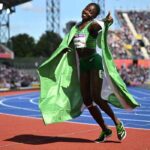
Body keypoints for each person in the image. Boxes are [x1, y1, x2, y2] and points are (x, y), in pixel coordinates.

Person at [38, 3, 140, 143]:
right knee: (87, 100)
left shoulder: (92, 26)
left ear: (94, 15)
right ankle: (105, 129)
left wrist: (106, 21)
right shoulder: (76, 28)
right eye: (86, 8)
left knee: (96, 97)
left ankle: (117, 123)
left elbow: (98, 26)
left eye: (90, 11)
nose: (86, 11)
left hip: (94, 62)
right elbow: (71, 44)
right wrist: (65, 50)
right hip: (83, 64)